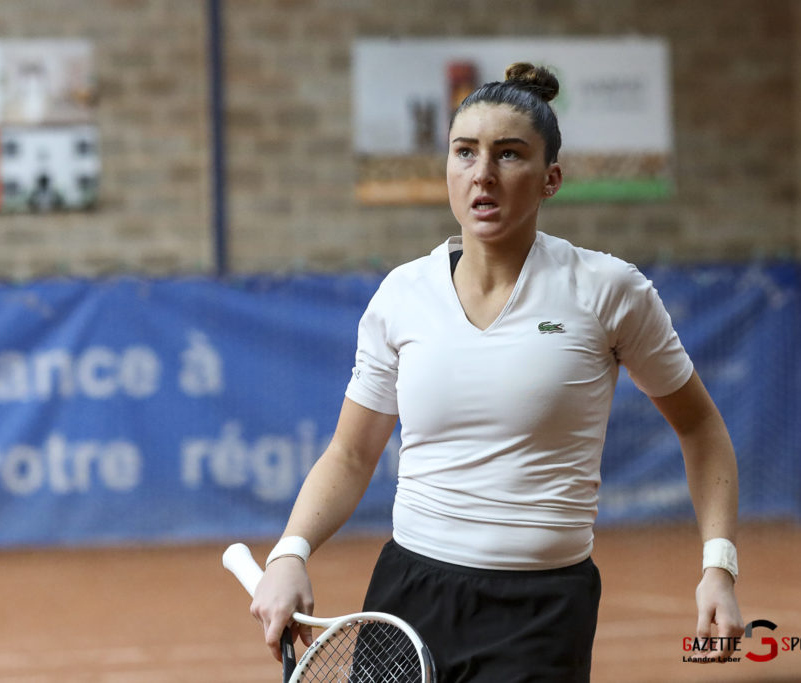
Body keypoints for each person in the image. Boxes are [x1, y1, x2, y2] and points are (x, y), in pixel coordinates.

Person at [250, 62, 743, 682]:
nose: (483, 174)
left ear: (550, 179)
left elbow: (702, 430)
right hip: (408, 598)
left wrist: (718, 567)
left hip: (542, 612)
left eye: (509, 155)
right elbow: (350, 454)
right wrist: (290, 553)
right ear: (448, 170)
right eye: (465, 153)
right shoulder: (401, 296)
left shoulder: (608, 291)